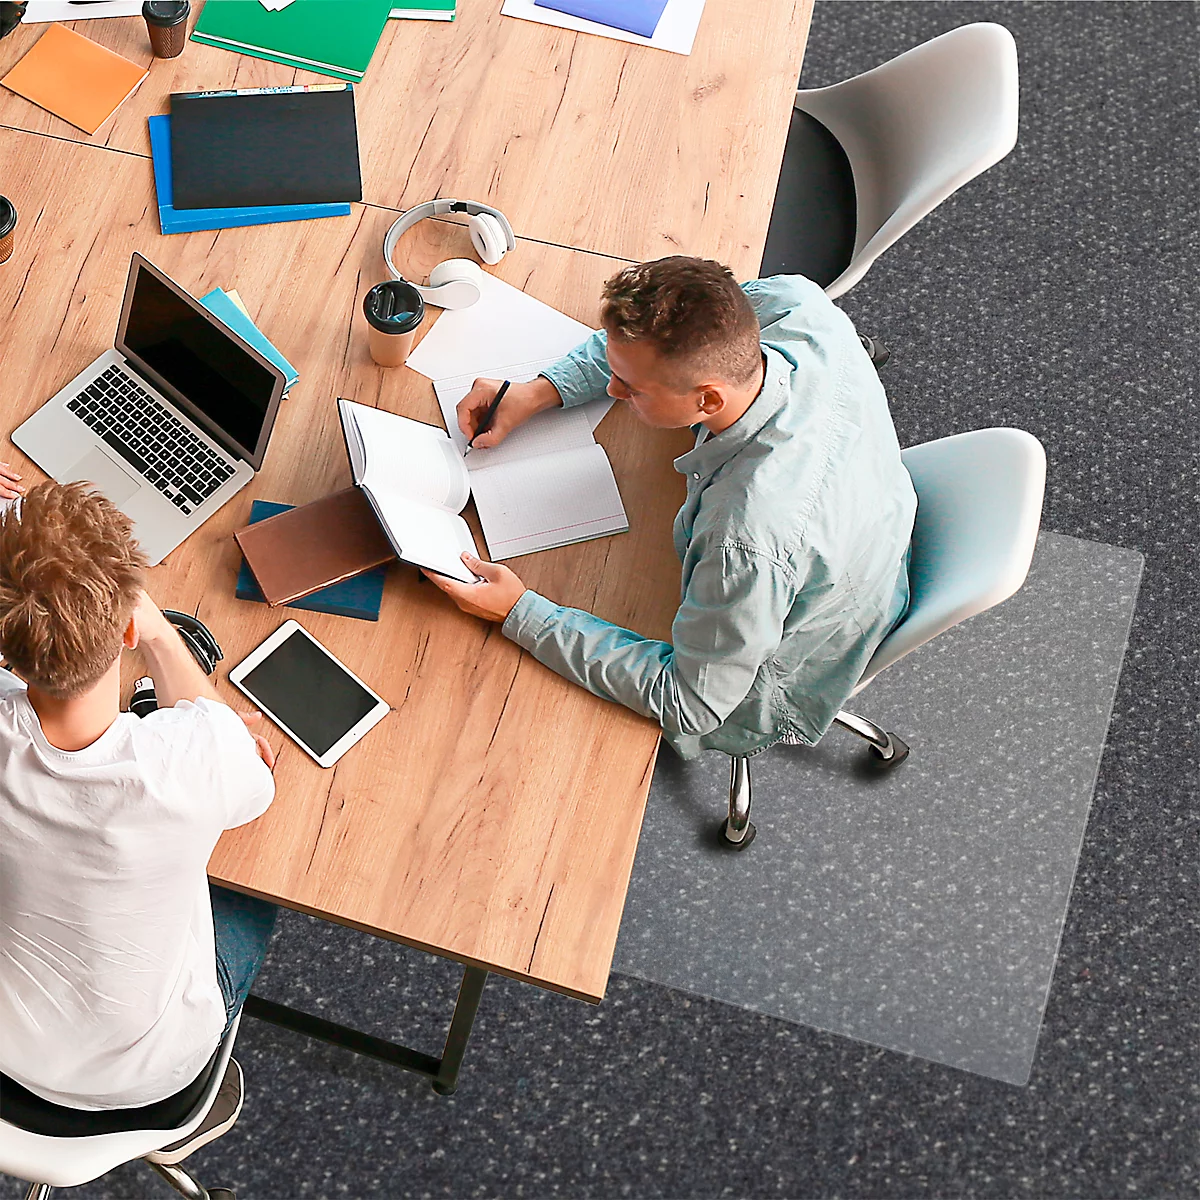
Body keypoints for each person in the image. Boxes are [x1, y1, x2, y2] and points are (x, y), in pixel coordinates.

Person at [423, 257, 918, 760]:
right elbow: (645, 351)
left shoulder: (745, 540)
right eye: (616, 376)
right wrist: (540, 392)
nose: (613, 391)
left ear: (707, 402)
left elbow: (692, 704)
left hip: (796, 651)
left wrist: (519, 611)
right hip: (863, 517)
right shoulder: (797, 303)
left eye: (631, 389)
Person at [0, 481, 277, 1111]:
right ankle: (199, 1104)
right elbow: (254, 780)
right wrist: (159, 638)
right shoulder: (191, 758)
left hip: (6, 1050)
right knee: (253, 895)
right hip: (147, 1078)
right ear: (125, 628)